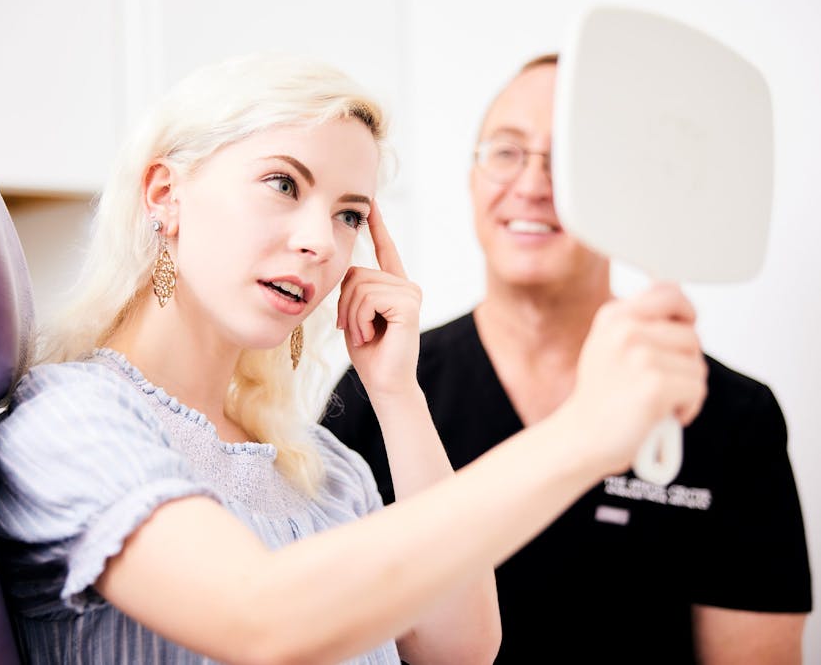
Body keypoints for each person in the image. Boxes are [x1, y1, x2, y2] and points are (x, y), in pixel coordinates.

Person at [0, 53, 706, 665]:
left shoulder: (321, 467)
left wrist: (399, 395)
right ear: (166, 195)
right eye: (283, 184)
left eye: (348, 213)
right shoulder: (67, 422)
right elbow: (258, 616)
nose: (322, 241)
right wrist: (583, 434)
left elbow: (461, 646)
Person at [323, 54, 813, 664]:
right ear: (472, 179)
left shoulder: (730, 415)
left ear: (625, 195)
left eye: (569, 161)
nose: (531, 185)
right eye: (505, 152)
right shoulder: (386, 386)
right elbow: (313, 625)